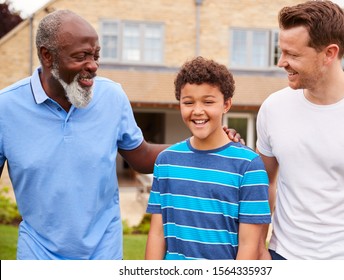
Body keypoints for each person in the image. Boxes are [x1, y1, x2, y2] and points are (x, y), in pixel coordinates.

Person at [0, 10, 241, 260]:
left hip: (104, 254)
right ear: (47, 56)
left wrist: (205, 143)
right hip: (37, 255)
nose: (93, 66)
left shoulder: (111, 96)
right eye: (81, 56)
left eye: (96, 55)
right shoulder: (5, 109)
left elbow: (142, 156)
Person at [256, 0, 344, 260]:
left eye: (293, 55)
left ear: (329, 53)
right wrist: (260, 247)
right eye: (281, 51)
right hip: (283, 256)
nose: (281, 62)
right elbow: (264, 184)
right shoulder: (273, 107)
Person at [145, 56, 271, 260]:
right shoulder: (166, 161)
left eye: (208, 101)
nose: (197, 111)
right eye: (188, 102)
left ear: (226, 104)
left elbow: (250, 245)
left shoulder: (249, 166)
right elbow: (157, 234)